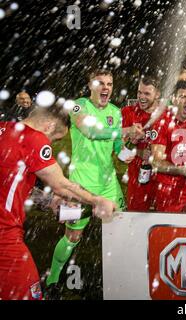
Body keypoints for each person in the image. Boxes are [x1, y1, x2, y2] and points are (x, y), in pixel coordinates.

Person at [0, 105, 116, 300]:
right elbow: (62, 186)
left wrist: (49, 201)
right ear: (48, 126)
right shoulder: (33, 138)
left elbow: (9, 182)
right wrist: (96, 200)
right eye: (55, 139)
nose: (51, 144)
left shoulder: (4, 129)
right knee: (29, 293)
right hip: (4, 236)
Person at [45, 69, 135, 289]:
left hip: (108, 184)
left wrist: (127, 151)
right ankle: (52, 280)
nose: (106, 88)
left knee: (123, 228)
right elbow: (90, 131)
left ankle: (125, 280)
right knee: (72, 237)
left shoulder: (116, 111)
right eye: (101, 83)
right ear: (91, 86)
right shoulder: (79, 105)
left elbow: (117, 147)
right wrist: (122, 131)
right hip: (81, 186)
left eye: (109, 84)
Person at [150, 80, 186, 212]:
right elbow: (156, 163)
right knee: (169, 230)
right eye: (183, 97)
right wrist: (181, 170)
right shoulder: (161, 122)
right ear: (174, 100)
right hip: (169, 188)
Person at [121, 76, 166, 211]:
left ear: (157, 94)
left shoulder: (167, 114)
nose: (141, 97)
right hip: (138, 183)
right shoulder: (128, 113)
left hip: (164, 181)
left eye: (147, 93)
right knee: (136, 223)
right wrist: (135, 146)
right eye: (139, 92)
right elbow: (121, 154)